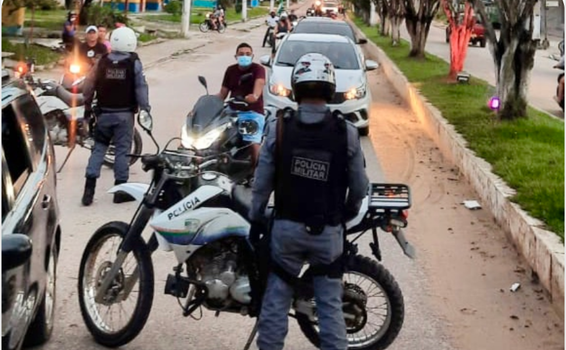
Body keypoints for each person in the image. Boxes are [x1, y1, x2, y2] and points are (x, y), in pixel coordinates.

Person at [250, 53, 369, 350]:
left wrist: (255, 217)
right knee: (329, 308)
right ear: (330, 88)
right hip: (328, 233)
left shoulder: (279, 128)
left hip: (286, 232)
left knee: (276, 300)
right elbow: (359, 188)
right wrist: (345, 215)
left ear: (296, 87)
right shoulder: (347, 132)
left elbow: (261, 184)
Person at [81, 26, 151, 206]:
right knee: (122, 151)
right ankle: (120, 192)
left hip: (103, 114)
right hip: (124, 116)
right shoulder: (133, 62)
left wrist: (87, 107)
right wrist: (145, 109)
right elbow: (140, 88)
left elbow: (88, 86)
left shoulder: (102, 61)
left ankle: (88, 191)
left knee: (98, 149)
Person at [217, 43, 266, 171]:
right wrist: (207, 104)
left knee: (253, 144)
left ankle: (256, 173)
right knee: (211, 134)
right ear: (236, 56)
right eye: (241, 54)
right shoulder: (230, 70)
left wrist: (254, 96)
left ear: (252, 56)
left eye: (248, 54)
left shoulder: (258, 69)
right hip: (232, 111)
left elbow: (259, 83)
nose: (244, 56)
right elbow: (223, 93)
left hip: (251, 111)